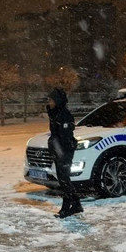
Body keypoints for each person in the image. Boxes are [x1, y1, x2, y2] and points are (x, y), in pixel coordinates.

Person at [46, 88, 83, 218]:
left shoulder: (64, 115)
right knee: (63, 180)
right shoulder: (55, 114)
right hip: (59, 150)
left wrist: (62, 153)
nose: (49, 102)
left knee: (64, 180)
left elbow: (65, 136)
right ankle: (76, 204)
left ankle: (67, 207)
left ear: (57, 101)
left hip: (64, 151)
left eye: (51, 100)